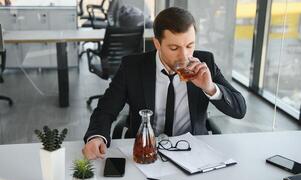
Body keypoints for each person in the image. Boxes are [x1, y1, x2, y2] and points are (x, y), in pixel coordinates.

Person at [82, 7, 246, 160]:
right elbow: (106, 109)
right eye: (174, 48)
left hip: (191, 152)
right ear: (157, 43)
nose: (184, 56)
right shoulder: (132, 66)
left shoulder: (205, 63)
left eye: (190, 45)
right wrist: (97, 136)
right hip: (145, 151)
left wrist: (210, 88)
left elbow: (239, 110)